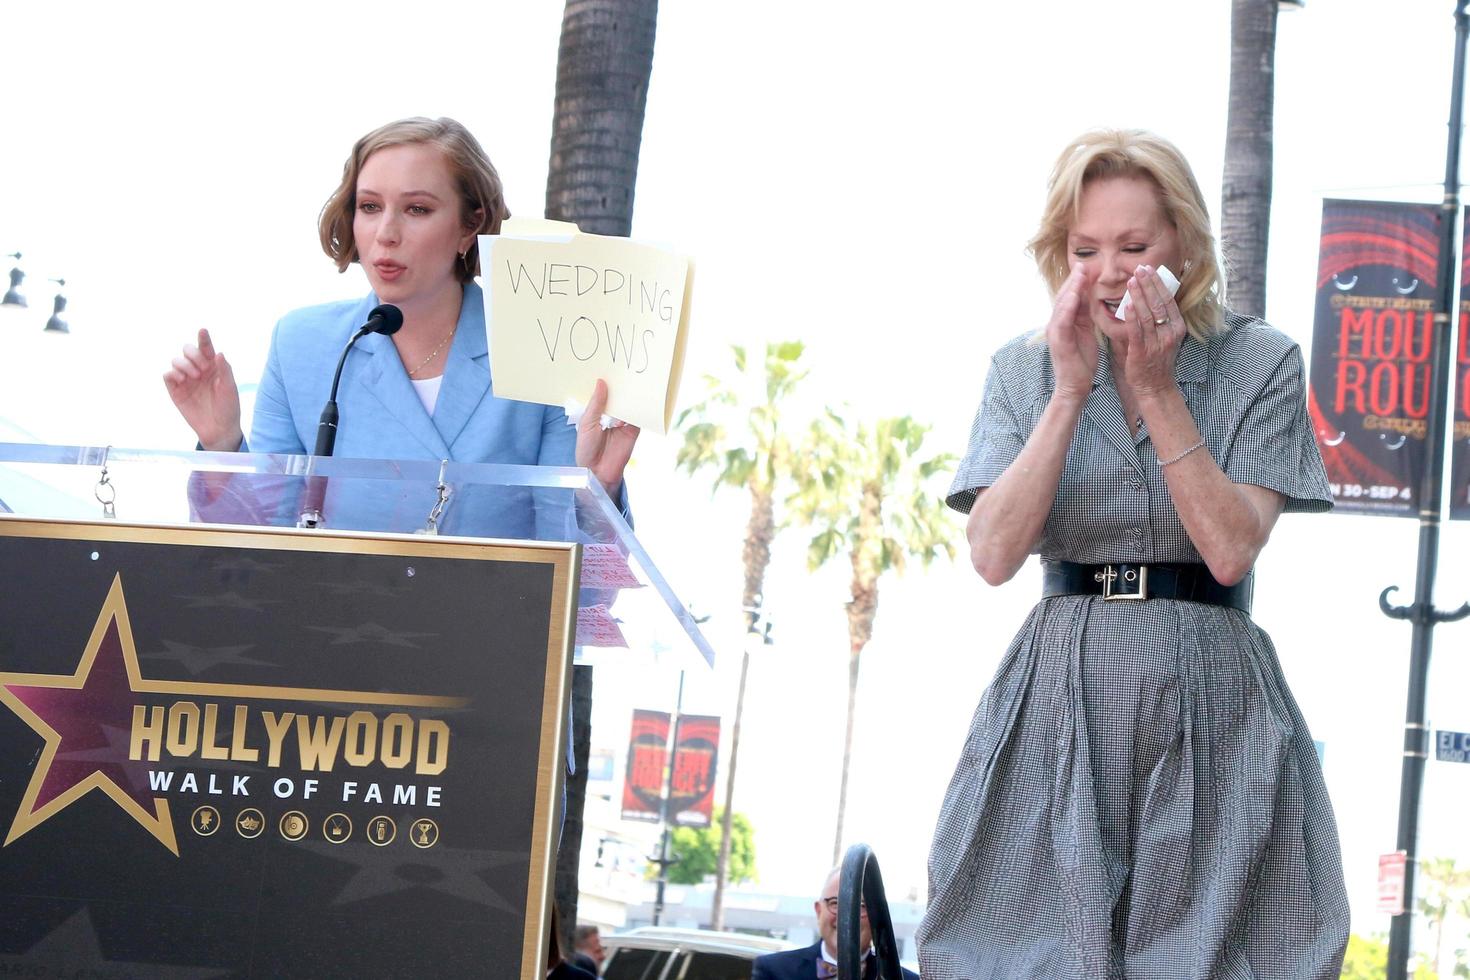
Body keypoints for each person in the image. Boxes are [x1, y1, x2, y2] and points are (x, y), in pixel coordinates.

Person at [916, 130, 1349, 979]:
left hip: (1211, 680)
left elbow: (1231, 549)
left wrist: (1154, 386)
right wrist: (1072, 390)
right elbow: (995, 554)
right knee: (1026, 950)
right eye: (1086, 249)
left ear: (1183, 243)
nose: (1110, 268)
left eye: (1134, 245)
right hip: (1060, 687)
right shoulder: (1024, 370)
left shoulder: (1259, 361)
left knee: (1219, 953)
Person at [162, 116, 637, 503]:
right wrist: (221, 445)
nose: (385, 233)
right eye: (369, 206)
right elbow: (259, 554)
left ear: (470, 227)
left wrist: (599, 487)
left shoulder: (539, 347)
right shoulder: (302, 344)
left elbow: (582, 589)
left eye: (416, 210)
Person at [752, 867, 917, 980]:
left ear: (876, 917)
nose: (847, 917)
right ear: (818, 910)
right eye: (835, 903)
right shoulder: (773, 971)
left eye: (861, 906)